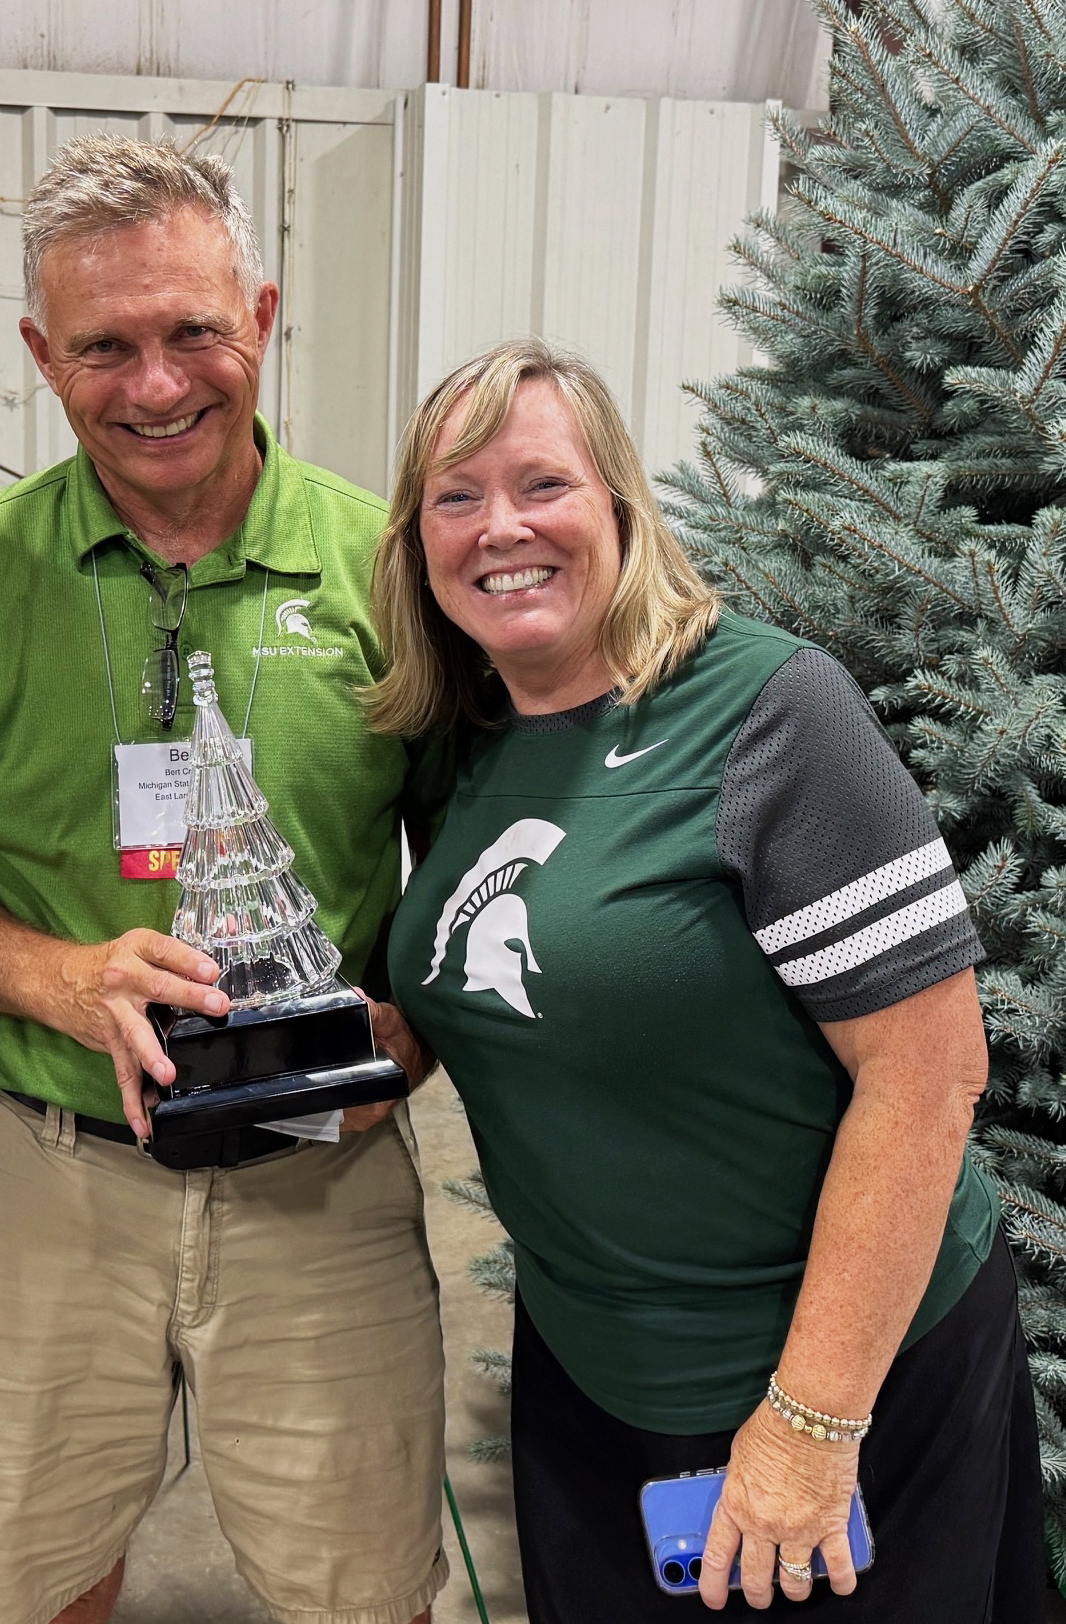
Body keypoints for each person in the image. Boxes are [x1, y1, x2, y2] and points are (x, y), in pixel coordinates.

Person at [0, 135, 451, 1624]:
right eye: (104, 345)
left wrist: (417, 1030)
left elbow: (476, 869)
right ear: (40, 357)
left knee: (360, 1588)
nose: (158, 382)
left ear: (261, 314)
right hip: (48, 1172)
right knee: (15, 1581)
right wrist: (68, 983)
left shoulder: (389, 570)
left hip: (322, 1174)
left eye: (194, 331)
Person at [370, 337, 1046, 1621]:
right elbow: (509, 986)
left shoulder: (773, 713)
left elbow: (929, 1072)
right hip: (590, 1378)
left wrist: (807, 1423)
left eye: (541, 485)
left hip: (842, 1388)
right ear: (417, 546)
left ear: (619, 505)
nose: (499, 527)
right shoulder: (462, 741)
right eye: (455, 499)